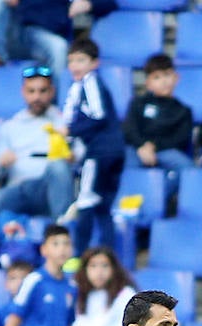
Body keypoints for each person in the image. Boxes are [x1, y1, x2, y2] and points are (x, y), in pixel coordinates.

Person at [0, 68, 73, 224]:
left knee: (58, 166)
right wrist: (1, 162)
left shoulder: (65, 122)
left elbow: (79, 157)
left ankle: (61, 230)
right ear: (23, 92)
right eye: (31, 91)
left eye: (42, 91)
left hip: (49, 187)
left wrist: (71, 156)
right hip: (20, 188)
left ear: (52, 92)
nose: (37, 97)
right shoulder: (10, 126)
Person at [61, 38, 126, 256]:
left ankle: (79, 257)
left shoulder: (89, 82)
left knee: (85, 202)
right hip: (113, 151)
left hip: (101, 154)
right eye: (71, 61)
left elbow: (98, 115)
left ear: (94, 63)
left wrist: (71, 130)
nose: (75, 66)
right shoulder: (84, 85)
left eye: (81, 60)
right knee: (103, 208)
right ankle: (109, 257)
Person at [0, 0, 117, 95]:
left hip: (48, 38)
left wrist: (88, 4)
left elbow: (110, 3)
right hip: (18, 35)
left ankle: (56, 108)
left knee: (59, 47)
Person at [123, 55, 195, 201]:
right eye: (157, 77)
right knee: (128, 161)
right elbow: (130, 129)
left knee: (187, 167)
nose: (163, 81)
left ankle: (154, 201)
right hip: (137, 149)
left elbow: (180, 139)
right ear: (148, 83)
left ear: (176, 77)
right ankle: (127, 205)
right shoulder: (138, 103)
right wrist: (143, 146)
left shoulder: (183, 110)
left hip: (165, 151)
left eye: (167, 75)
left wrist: (153, 147)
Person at [73, 246, 136, 326]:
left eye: (105, 266)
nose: (99, 272)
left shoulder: (125, 295)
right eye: (93, 266)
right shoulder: (78, 294)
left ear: (114, 269)